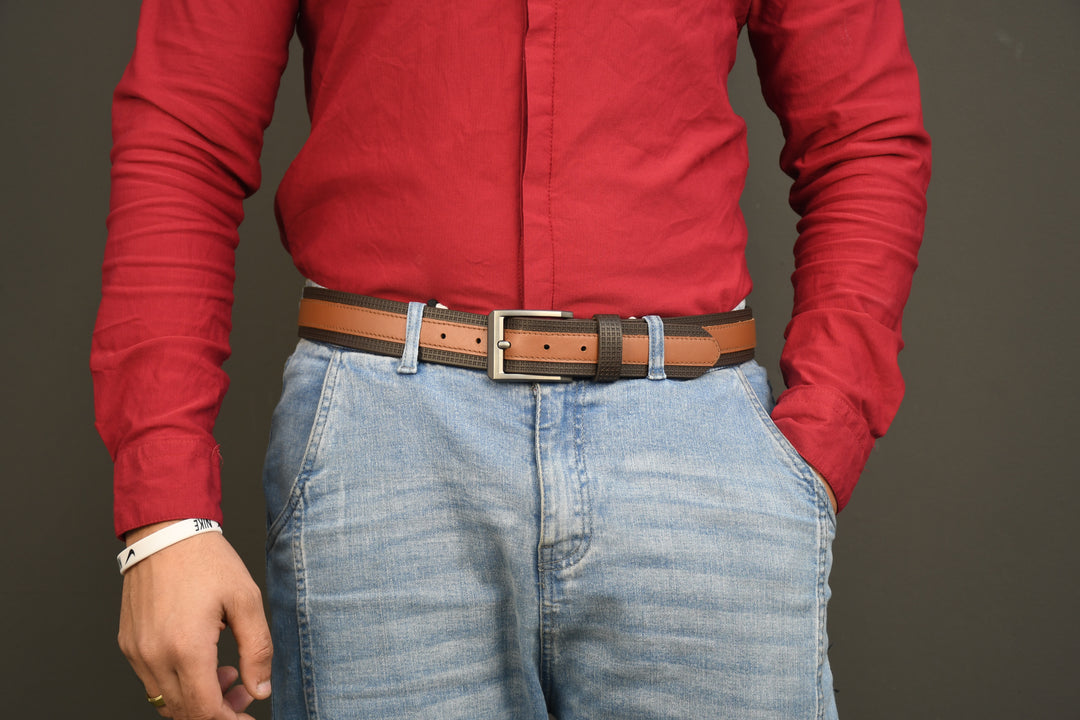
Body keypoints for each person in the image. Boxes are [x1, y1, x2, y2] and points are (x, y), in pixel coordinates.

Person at [92, 0, 930, 718]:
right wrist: (165, 517)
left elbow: (863, 135)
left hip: (700, 457)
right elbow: (184, 135)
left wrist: (821, 439)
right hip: (384, 459)